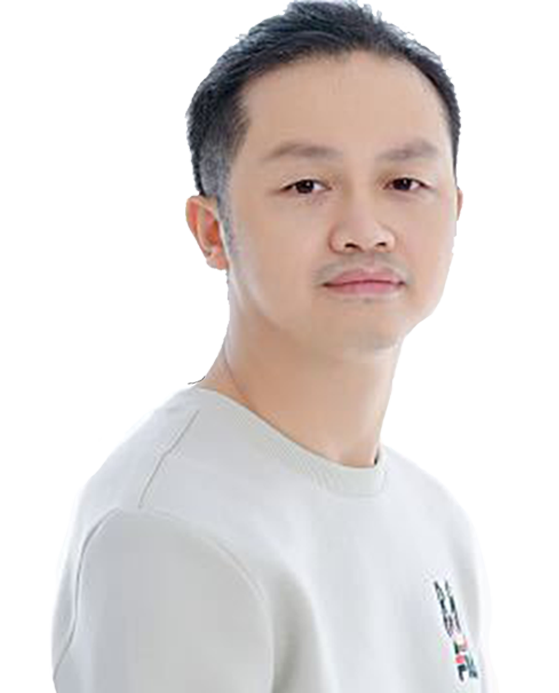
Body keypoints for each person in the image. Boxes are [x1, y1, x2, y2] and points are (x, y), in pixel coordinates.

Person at [51, 2, 488, 691]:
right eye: (306, 185)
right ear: (212, 230)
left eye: (404, 183)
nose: (365, 229)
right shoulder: (171, 529)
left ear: (455, 210)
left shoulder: (434, 518)